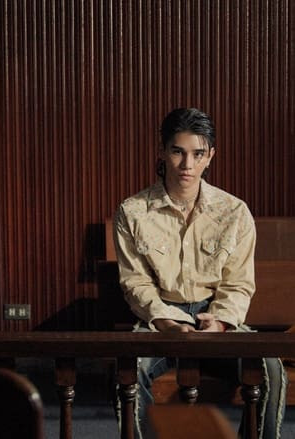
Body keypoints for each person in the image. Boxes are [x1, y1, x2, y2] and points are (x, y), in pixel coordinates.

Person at [113, 108, 286, 438]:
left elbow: (238, 283)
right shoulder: (132, 212)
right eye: (178, 152)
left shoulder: (234, 211)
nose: (187, 165)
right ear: (162, 151)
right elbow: (135, 282)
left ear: (210, 156)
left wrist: (219, 322)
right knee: (129, 370)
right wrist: (166, 322)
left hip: (215, 317)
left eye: (197, 154)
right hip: (160, 319)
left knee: (270, 369)